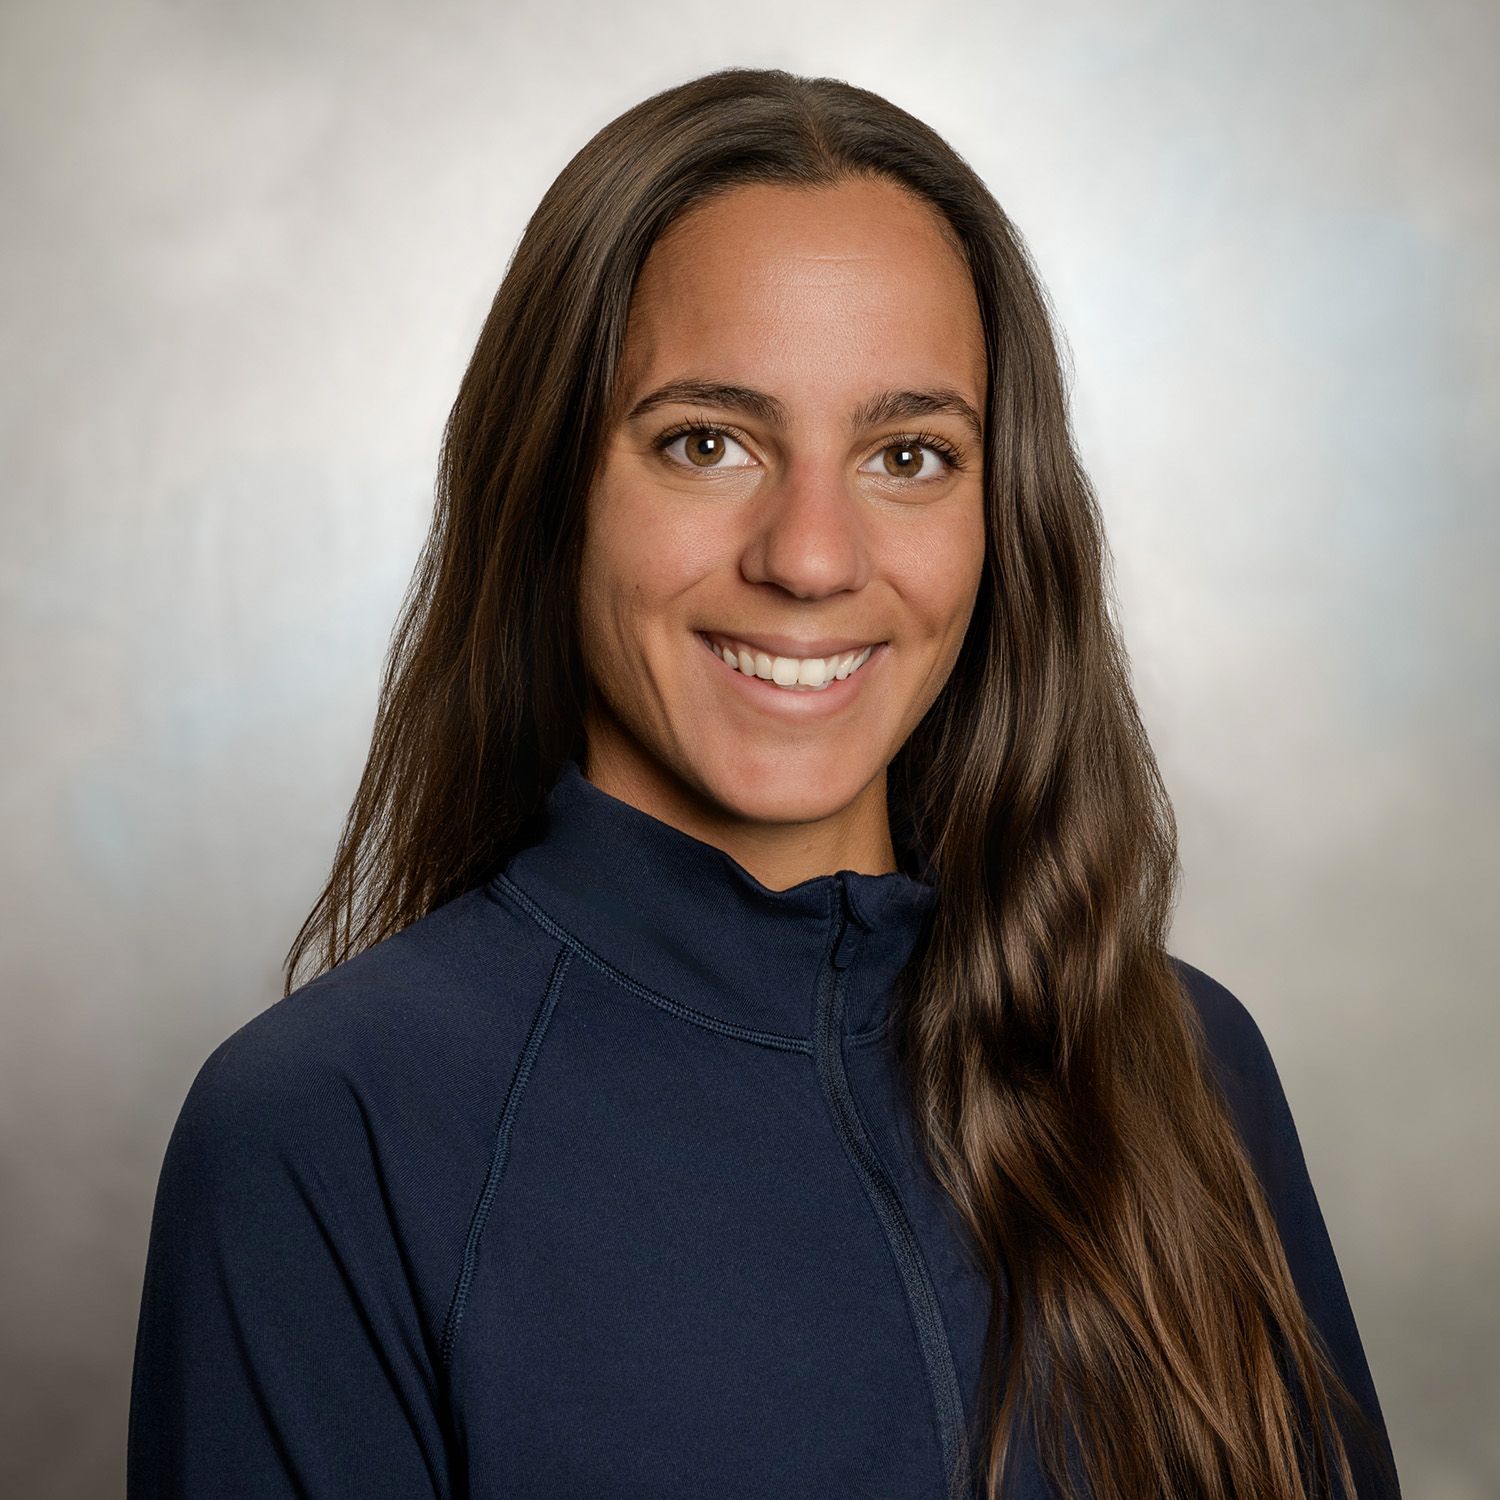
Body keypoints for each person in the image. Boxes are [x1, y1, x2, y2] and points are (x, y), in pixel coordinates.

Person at [126, 67, 1402, 1500]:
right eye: (706, 443)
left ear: (1002, 518)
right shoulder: (326, 1132)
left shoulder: (1186, 1065)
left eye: (908, 454)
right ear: (549, 486)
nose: (808, 555)